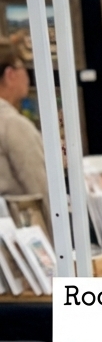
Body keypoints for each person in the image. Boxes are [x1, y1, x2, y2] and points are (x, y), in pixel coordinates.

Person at [0, 38, 49, 228]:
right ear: (10, 74)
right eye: (25, 70)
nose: (28, 77)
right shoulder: (13, 125)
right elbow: (41, 193)